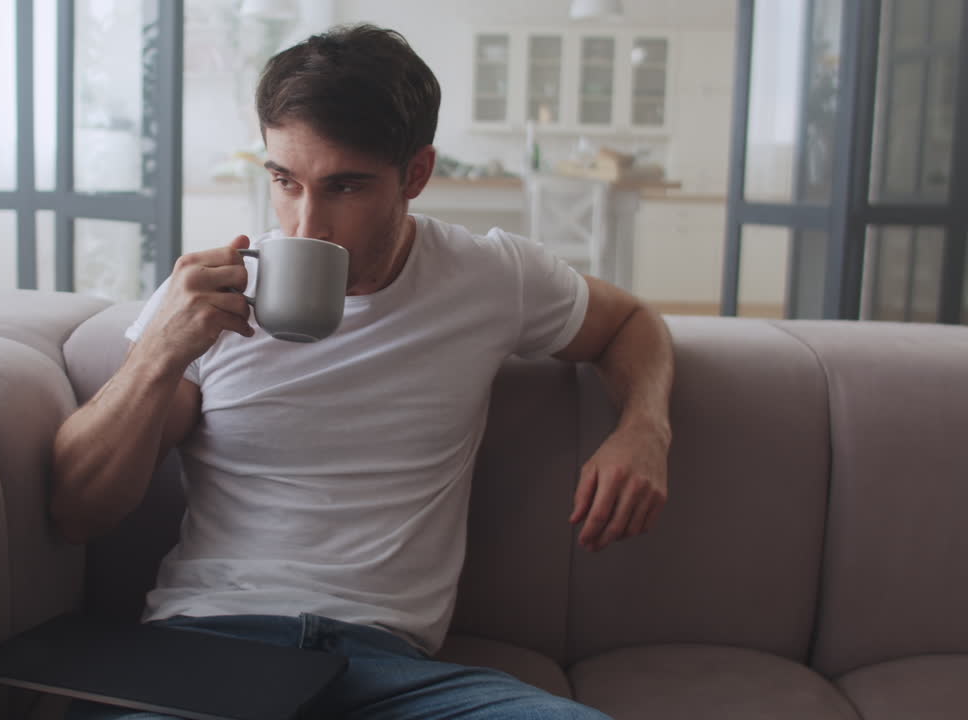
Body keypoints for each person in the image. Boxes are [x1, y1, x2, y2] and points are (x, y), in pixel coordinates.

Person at [52, 23, 673, 719]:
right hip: (212, 648)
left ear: (416, 174)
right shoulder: (209, 298)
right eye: (285, 182)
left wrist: (645, 427)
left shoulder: (491, 277)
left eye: (343, 186)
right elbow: (77, 510)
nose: (306, 225)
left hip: (388, 671)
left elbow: (629, 323)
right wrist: (160, 352)